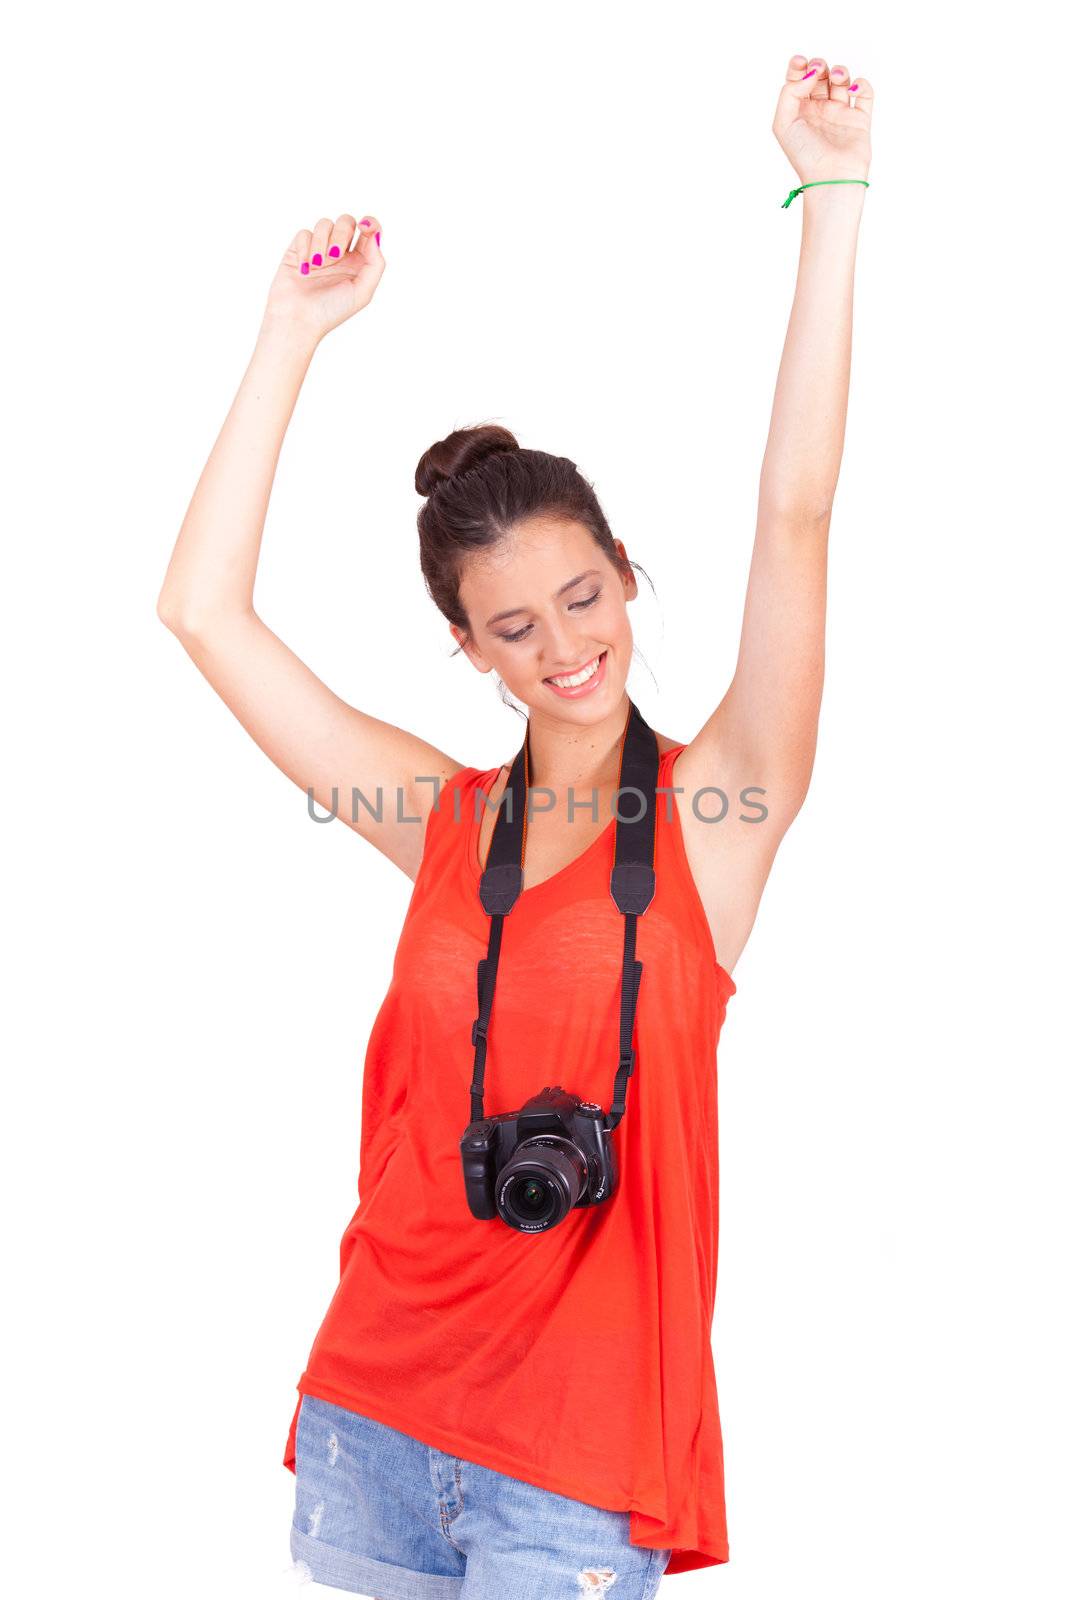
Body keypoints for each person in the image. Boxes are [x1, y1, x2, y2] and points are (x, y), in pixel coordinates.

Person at [157, 51, 872, 1600]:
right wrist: (289, 333)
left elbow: (798, 509)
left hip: (583, 1453)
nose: (563, 647)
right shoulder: (435, 822)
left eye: (582, 597)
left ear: (625, 571)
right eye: (512, 626)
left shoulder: (719, 809)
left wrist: (834, 194)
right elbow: (201, 612)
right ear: (468, 650)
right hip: (379, 1416)